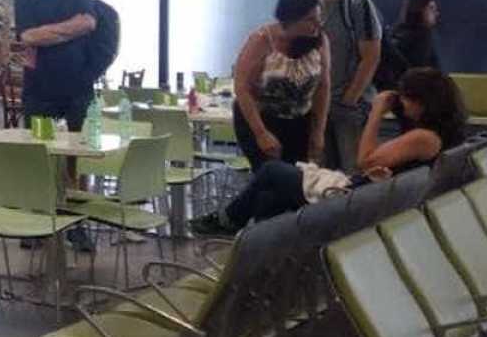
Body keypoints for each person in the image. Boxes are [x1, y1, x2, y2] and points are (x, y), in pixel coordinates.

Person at [193, 67, 464, 235]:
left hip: (356, 200)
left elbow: (364, 161)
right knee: (269, 196)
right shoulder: (437, 136)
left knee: (271, 170)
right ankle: (263, 253)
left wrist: (376, 112)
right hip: (372, 197)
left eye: (405, 99)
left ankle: (229, 221)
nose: (402, 105)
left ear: (421, 101)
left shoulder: (423, 138)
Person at [300, 0, 382, 172]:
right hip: (320, 104)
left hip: (349, 106)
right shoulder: (314, 8)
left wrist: (350, 98)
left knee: (354, 171)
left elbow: (371, 56)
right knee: (324, 175)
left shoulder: (356, 3)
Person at [231, 0, 331, 170]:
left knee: (298, 176)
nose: (317, 24)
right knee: (271, 175)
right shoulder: (261, 40)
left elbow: (323, 87)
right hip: (261, 118)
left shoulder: (319, 40)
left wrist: (319, 131)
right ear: (291, 18)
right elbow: (242, 87)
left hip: (301, 118)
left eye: (319, 18)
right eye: (310, 19)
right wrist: (261, 133)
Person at [14, 0, 97, 132]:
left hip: (79, 94)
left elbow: (88, 24)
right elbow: (29, 37)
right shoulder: (25, 1)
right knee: (41, 153)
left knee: (77, 155)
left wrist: (45, 33)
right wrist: (72, 27)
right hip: (39, 95)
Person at [390, 0, 441, 71]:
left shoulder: (395, 32)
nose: (437, 13)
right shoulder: (423, 35)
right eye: (431, 9)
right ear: (419, 10)